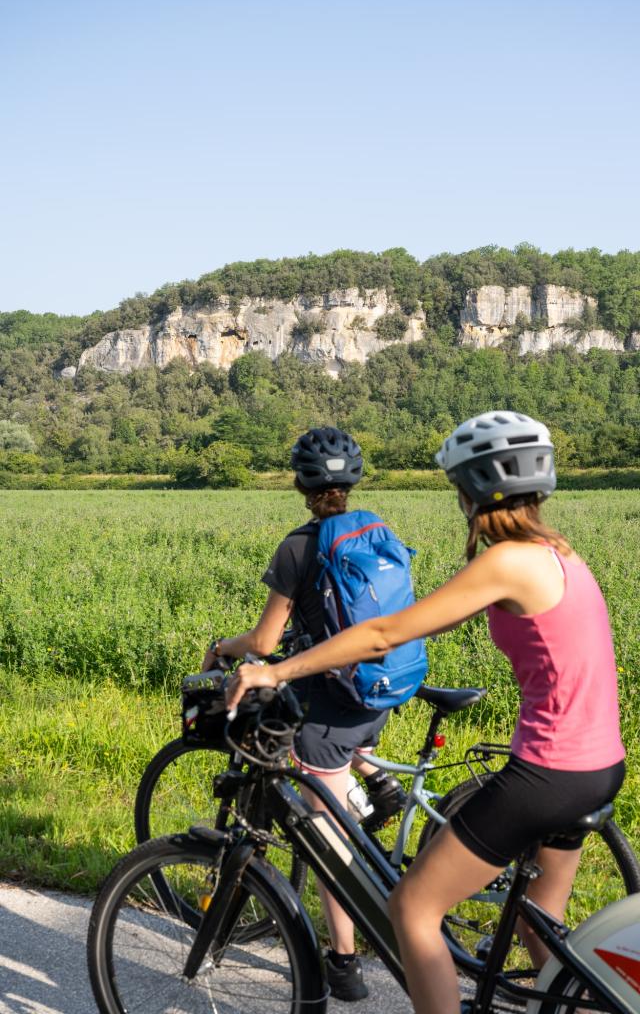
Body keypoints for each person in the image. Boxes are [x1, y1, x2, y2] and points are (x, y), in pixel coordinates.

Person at [225, 411, 626, 1014]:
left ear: (474, 490)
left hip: (547, 773)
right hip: (599, 767)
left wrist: (277, 669)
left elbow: (383, 633)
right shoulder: (559, 553)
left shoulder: (508, 560)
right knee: (542, 928)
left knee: (412, 908)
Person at [202, 426, 407, 1001]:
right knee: (344, 754)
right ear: (353, 483)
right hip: (379, 692)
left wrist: (224, 648)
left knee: (325, 840)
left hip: (333, 707)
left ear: (300, 483)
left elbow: (267, 641)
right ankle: (379, 781)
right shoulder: (375, 530)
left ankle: (344, 964)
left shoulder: (299, 546)